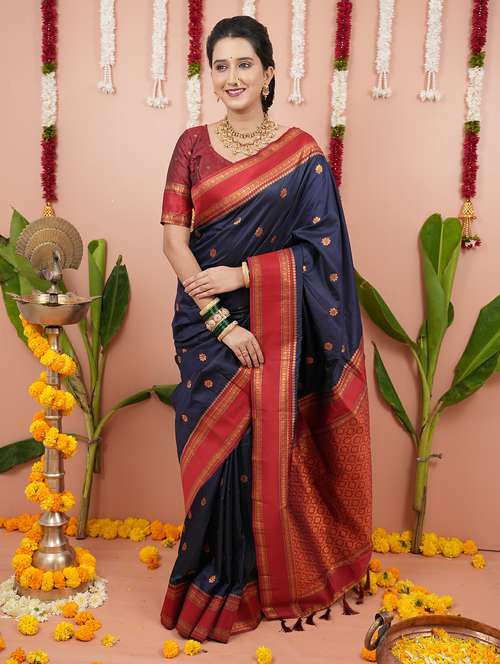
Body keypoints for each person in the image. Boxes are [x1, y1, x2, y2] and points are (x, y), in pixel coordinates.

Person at [159, 15, 372, 644]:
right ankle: (210, 579)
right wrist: (220, 319)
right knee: (213, 456)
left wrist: (245, 274)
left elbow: (325, 253)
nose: (232, 77)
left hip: (274, 324)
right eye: (220, 66)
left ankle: (254, 581)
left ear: (269, 73)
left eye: (244, 64)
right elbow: (173, 241)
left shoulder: (302, 155)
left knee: (259, 450)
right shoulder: (192, 145)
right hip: (204, 322)